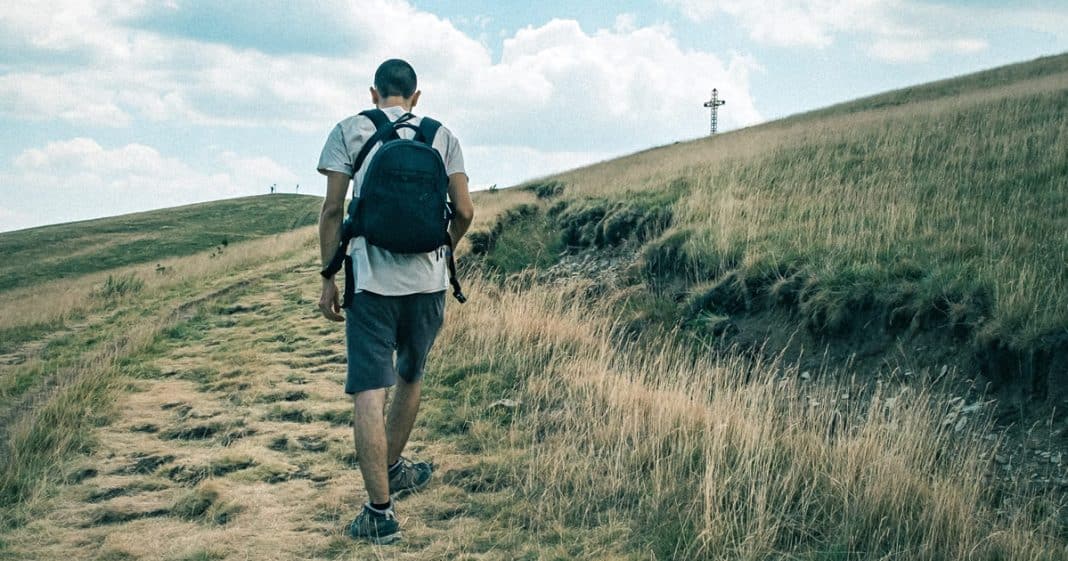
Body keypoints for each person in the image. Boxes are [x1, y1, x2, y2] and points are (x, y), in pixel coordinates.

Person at [316, 58, 474, 544]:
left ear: (373, 93)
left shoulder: (349, 130)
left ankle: (379, 512)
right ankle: (394, 468)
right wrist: (442, 247)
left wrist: (327, 277)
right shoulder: (441, 135)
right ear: (416, 96)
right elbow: (465, 211)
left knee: (369, 387)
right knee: (411, 374)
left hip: (371, 281)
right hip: (427, 282)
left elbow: (330, 211)